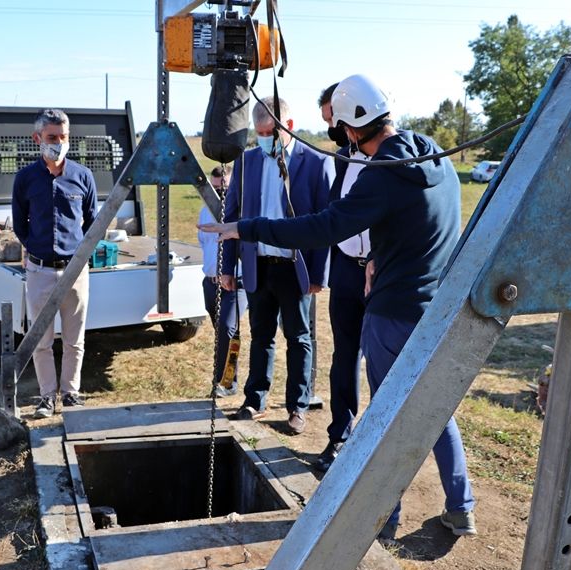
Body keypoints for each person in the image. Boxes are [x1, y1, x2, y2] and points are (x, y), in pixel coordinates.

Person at [200, 74, 476, 541]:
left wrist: (245, 228)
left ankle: (383, 516)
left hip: (393, 313)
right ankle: (460, 505)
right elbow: (428, 227)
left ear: (350, 129)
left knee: (388, 417)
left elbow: (322, 227)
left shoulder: (382, 174)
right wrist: (380, 258)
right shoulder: (433, 156)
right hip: (437, 307)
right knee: (435, 407)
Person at [220, 96, 334, 434]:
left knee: (299, 338)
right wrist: (228, 267)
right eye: (259, 133)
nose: (264, 138)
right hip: (258, 266)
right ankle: (254, 399)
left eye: (270, 131)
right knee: (261, 335)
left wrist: (318, 274)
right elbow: (232, 217)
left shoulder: (314, 163)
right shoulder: (246, 162)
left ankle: (297, 405)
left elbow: (326, 223)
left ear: (289, 127)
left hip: (295, 268)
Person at [12, 108, 98, 417]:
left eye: (63, 137)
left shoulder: (82, 176)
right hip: (39, 270)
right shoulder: (25, 179)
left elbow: (92, 222)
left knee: (75, 338)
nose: (58, 143)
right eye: (51, 137)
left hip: (75, 271)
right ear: (37, 138)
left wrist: (78, 255)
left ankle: (71, 393)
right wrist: (35, 249)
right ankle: (47, 395)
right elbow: (21, 225)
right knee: (41, 339)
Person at [314, 83, 371, 472]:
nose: (333, 130)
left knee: (387, 361)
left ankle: (381, 443)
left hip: (382, 274)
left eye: (334, 121)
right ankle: (340, 436)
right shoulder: (340, 159)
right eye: (326, 123)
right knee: (344, 357)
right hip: (347, 274)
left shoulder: (389, 158)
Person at [198, 165, 247, 396]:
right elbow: (204, 244)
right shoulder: (204, 211)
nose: (220, 195)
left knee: (228, 328)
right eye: (215, 190)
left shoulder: (240, 211)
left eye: (224, 189)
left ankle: (226, 383)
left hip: (235, 283)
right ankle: (225, 377)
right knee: (221, 331)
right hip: (210, 282)